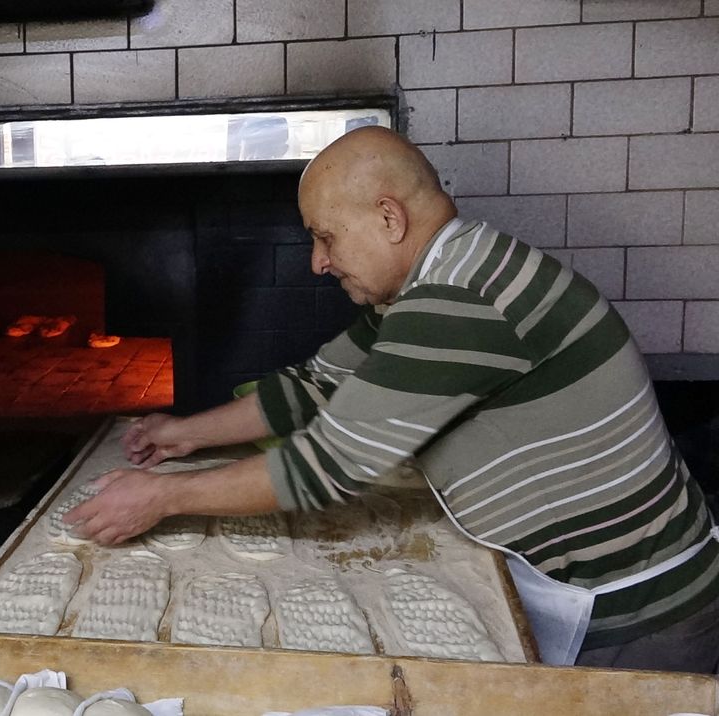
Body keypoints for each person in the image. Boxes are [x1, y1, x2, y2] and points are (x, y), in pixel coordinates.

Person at [65, 126, 719, 672]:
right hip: (581, 586)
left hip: (637, 612)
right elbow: (315, 388)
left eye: (326, 237)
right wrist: (188, 434)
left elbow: (328, 464)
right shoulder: (440, 278)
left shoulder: (460, 302)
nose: (319, 262)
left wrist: (165, 496)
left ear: (388, 217)